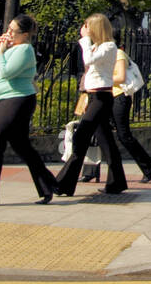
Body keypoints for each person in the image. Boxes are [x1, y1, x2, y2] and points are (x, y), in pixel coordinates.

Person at [0, 14, 57, 206]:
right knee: (21, 145)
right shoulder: (13, 48)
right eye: (8, 29)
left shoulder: (25, 50)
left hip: (16, 100)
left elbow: (6, 71)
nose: (8, 33)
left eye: (12, 31)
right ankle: (48, 186)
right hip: (8, 100)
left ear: (24, 34)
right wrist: (0, 46)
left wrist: (1, 55)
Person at [54, 14, 127, 196]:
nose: (84, 29)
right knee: (106, 141)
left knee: (81, 137)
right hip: (94, 96)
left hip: (102, 97)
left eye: (87, 26)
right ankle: (116, 182)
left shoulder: (109, 47)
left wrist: (85, 40)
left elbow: (88, 60)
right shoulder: (96, 46)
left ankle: (63, 184)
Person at [108, 43, 151, 182]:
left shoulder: (118, 54)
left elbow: (121, 77)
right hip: (104, 97)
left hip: (119, 97)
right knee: (99, 134)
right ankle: (91, 171)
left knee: (123, 135)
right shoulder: (103, 54)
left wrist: (102, 78)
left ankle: (147, 165)